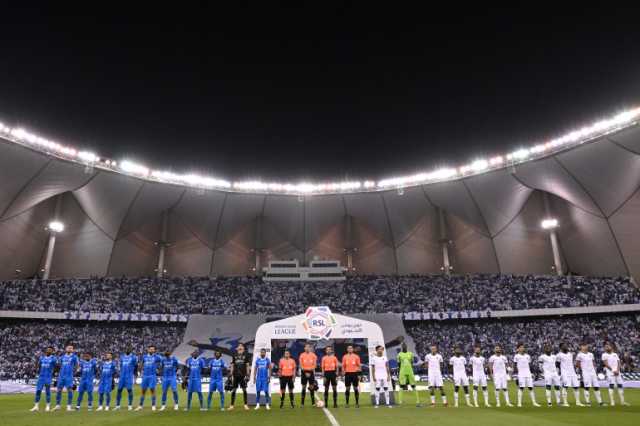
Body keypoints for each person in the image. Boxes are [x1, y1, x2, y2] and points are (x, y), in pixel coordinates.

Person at [30, 346, 57, 412]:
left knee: (47, 391)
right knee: (38, 391)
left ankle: (47, 406)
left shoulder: (53, 358)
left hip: (48, 377)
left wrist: (53, 373)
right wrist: (37, 371)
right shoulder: (42, 358)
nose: (48, 351)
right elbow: (38, 365)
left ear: (52, 351)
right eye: (48, 349)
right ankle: (36, 406)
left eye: (50, 350)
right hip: (41, 377)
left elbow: (57, 366)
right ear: (46, 350)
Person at [602, 342, 629, 406]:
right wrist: (613, 370)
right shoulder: (604, 355)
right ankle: (612, 402)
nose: (607, 347)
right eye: (606, 347)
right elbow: (606, 364)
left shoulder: (615, 354)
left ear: (611, 347)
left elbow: (619, 363)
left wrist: (617, 370)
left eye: (608, 346)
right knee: (611, 386)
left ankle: (622, 402)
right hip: (610, 373)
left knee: (620, 385)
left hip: (617, 372)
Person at [53, 344, 79, 411]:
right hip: (61, 376)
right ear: (66, 349)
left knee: (70, 390)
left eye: (71, 348)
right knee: (59, 390)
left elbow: (77, 365)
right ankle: (58, 405)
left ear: (73, 350)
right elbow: (59, 365)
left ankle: (69, 406)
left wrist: (74, 372)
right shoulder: (62, 357)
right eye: (68, 348)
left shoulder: (74, 357)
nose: (70, 349)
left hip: (69, 376)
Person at [137, 345, 162, 411]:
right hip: (145, 376)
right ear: (148, 350)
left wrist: (159, 368)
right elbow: (141, 364)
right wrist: (140, 371)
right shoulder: (144, 357)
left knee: (152, 390)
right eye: (150, 349)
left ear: (154, 350)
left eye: (152, 349)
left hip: (152, 376)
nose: (151, 350)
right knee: (143, 391)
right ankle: (140, 405)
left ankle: (153, 405)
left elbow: (162, 362)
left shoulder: (156, 357)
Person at [229, 343, 251, 410]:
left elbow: (247, 366)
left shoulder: (246, 356)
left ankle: (245, 405)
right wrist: (230, 374)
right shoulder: (234, 355)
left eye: (241, 346)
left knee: (244, 389)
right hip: (235, 375)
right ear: (237, 348)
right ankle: (232, 405)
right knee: (234, 390)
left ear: (243, 349)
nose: (240, 347)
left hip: (243, 375)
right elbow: (232, 365)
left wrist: (248, 374)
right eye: (239, 346)